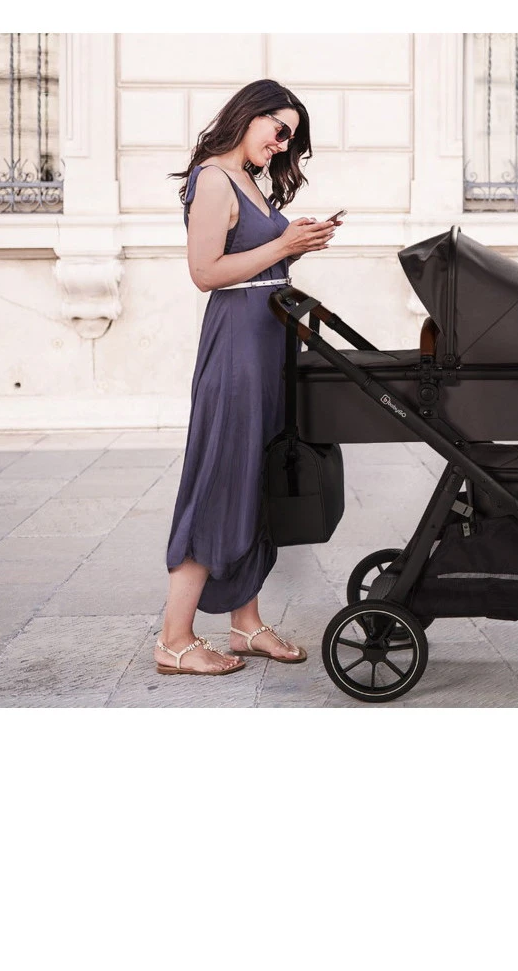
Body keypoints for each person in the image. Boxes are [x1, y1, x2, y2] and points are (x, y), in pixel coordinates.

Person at [157, 79, 338, 676]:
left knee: (256, 476)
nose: (283, 145)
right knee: (219, 477)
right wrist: (283, 243)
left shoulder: (249, 180)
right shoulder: (214, 178)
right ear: (251, 114)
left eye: (291, 139)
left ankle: (245, 624)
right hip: (237, 345)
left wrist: (296, 245)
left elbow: (255, 261)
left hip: (266, 342)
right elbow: (205, 272)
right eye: (280, 131)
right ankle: (174, 639)